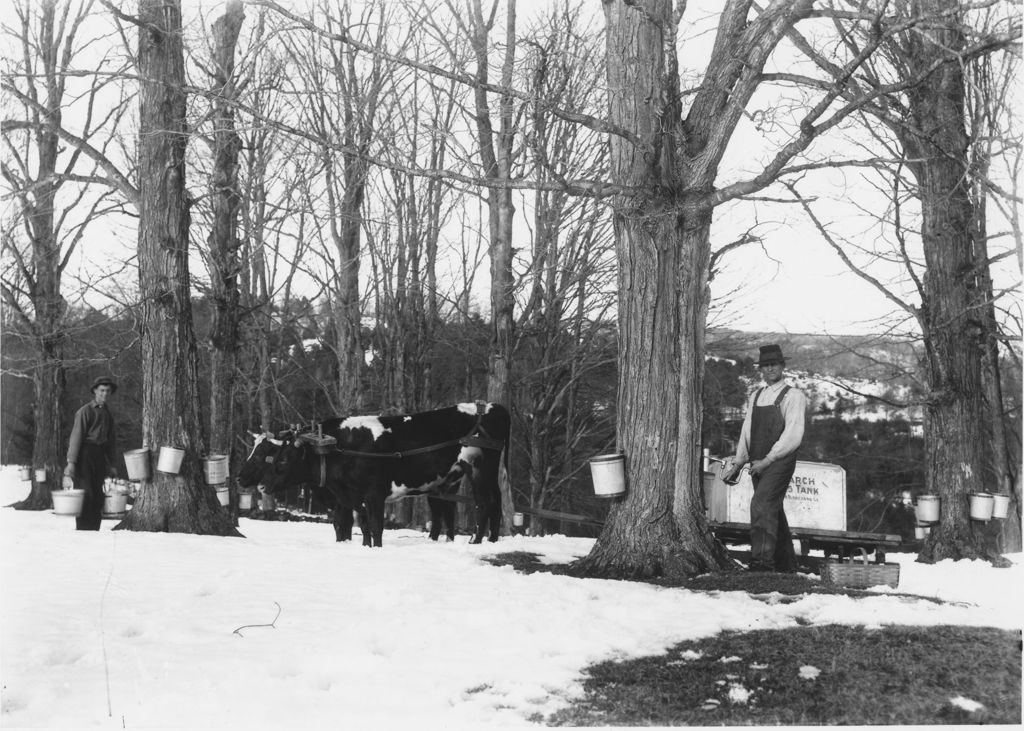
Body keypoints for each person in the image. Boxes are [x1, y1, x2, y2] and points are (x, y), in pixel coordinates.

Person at [722, 345, 807, 572]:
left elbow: (793, 435)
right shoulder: (756, 396)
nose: (770, 369)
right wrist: (739, 463)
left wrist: (768, 460)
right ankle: (787, 565)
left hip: (779, 460)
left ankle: (761, 563)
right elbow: (747, 431)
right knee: (772, 509)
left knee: (761, 505)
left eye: (774, 364)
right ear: (761, 369)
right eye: (765, 366)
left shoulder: (794, 396)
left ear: (782, 366)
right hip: (757, 462)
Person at [64, 376, 119, 530]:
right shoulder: (85, 411)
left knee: (98, 493)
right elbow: (76, 438)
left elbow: (111, 442)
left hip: (100, 456)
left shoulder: (108, 414)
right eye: (102, 390)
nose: (105, 394)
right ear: (95, 391)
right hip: (84, 455)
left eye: (108, 391)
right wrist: (71, 463)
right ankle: (83, 528)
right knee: (85, 493)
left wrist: (113, 465)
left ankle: (94, 528)